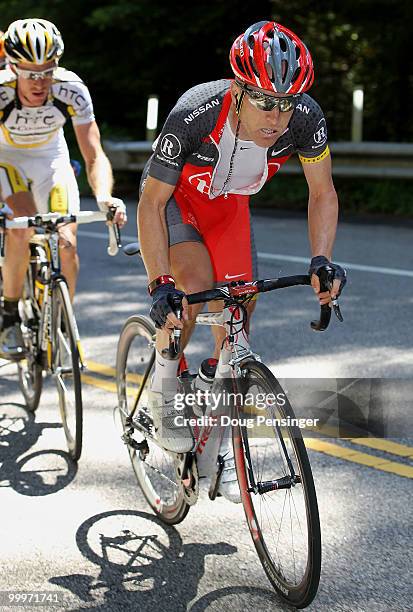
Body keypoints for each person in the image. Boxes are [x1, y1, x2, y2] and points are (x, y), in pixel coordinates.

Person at [137, 20, 346, 500]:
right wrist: (158, 282)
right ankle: (166, 394)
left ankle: (220, 431)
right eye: (265, 102)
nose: (277, 117)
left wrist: (322, 259)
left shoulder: (305, 120)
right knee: (190, 290)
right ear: (238, 90)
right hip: (176, 202)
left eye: (287, 103)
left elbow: (323, 193)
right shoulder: (195, 112)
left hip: (228, 206)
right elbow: (150, 204)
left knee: (240, 307)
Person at [0, 18, 126, 358]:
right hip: (7, 159)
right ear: (13, 67)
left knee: (67, 243)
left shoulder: (71, 88)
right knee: (20, 229)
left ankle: (59, 321)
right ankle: (9, 315)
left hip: (51, 158)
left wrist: (103, 196)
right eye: (30, 72)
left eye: (47, 70)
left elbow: (94, 153)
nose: (39, 81)